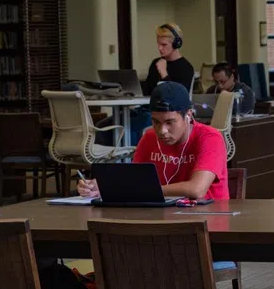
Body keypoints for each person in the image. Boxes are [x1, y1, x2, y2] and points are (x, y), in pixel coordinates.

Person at [79, 82, 229, 201]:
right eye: (156, 122)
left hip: (208, 219)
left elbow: (196, 189)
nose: (162, 130)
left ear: (188, 115)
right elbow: (133, 181)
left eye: (170, 122)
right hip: (165, 218)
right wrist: (103, 186)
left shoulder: (210, 137)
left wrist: (145, 190)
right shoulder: (149, 137)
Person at [144, 23, 195, 95]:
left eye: (164, 44)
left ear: (176, 44)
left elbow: (177, 99)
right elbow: (147, 91)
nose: (159, 48)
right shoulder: (156, 63)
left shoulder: (186, 68)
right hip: (151, 105)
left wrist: (164, 74)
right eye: (158, 43)